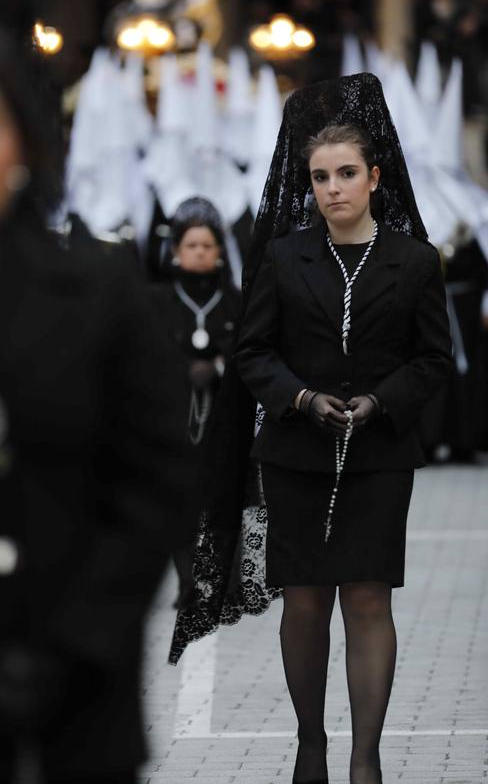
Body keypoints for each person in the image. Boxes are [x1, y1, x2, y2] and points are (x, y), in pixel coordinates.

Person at [0, 11, 188, 784]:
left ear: (19, 144)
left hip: (68, 724)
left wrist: (71, 650)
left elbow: (153, 491)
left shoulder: (101, 296)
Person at [170, 74, 452, 784]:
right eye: (321, 176)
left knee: (366, 598)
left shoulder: (416, 261)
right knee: (304, 600)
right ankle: (309, 744)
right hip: (296, 455)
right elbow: (253, 352)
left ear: (375, 176)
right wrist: (298, 399)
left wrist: (380, 403)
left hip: (380, 456)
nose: (333, 188)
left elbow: (432, 360)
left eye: (347, 173)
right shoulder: (283, 256)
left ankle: (365, 758)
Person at [149, 198, 241, 606]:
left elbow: (250, 352)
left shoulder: (237, 300)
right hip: (175, 418)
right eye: (192, 246)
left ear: (220, 252)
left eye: (208, 245)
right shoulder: (156, 301)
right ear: (176, 252)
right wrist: (180, 370)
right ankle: (188, 584)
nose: (200, 252)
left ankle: (230, 582)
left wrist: (218, 367)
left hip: (226, 418)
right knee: (179, 499)